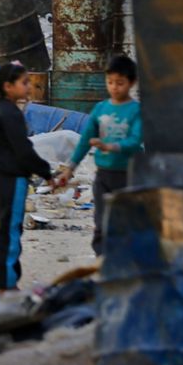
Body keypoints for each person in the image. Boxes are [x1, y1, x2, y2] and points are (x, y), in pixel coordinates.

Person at [56, 55, 143, 256]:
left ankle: (125, 262)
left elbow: (135, 140)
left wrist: (109, 145)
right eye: (110, 82)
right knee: (101, 221)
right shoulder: (100, 109)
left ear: (132, 82)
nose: (114, 87)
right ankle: (101, 261)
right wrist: (70, 169)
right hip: (104, 175)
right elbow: (85, 140)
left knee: (125, 222)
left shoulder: (135, 110)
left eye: (120, 83)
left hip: (128, 174)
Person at [0, 63, 52, 292]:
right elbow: (23, 150)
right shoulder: (11, 113)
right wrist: (46, 172)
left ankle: (3, 281)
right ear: (8, 86)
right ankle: (7, 285)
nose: (29, 87)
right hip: (12, 180)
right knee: (11, 232)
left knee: (4, 229)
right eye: (24, 82)